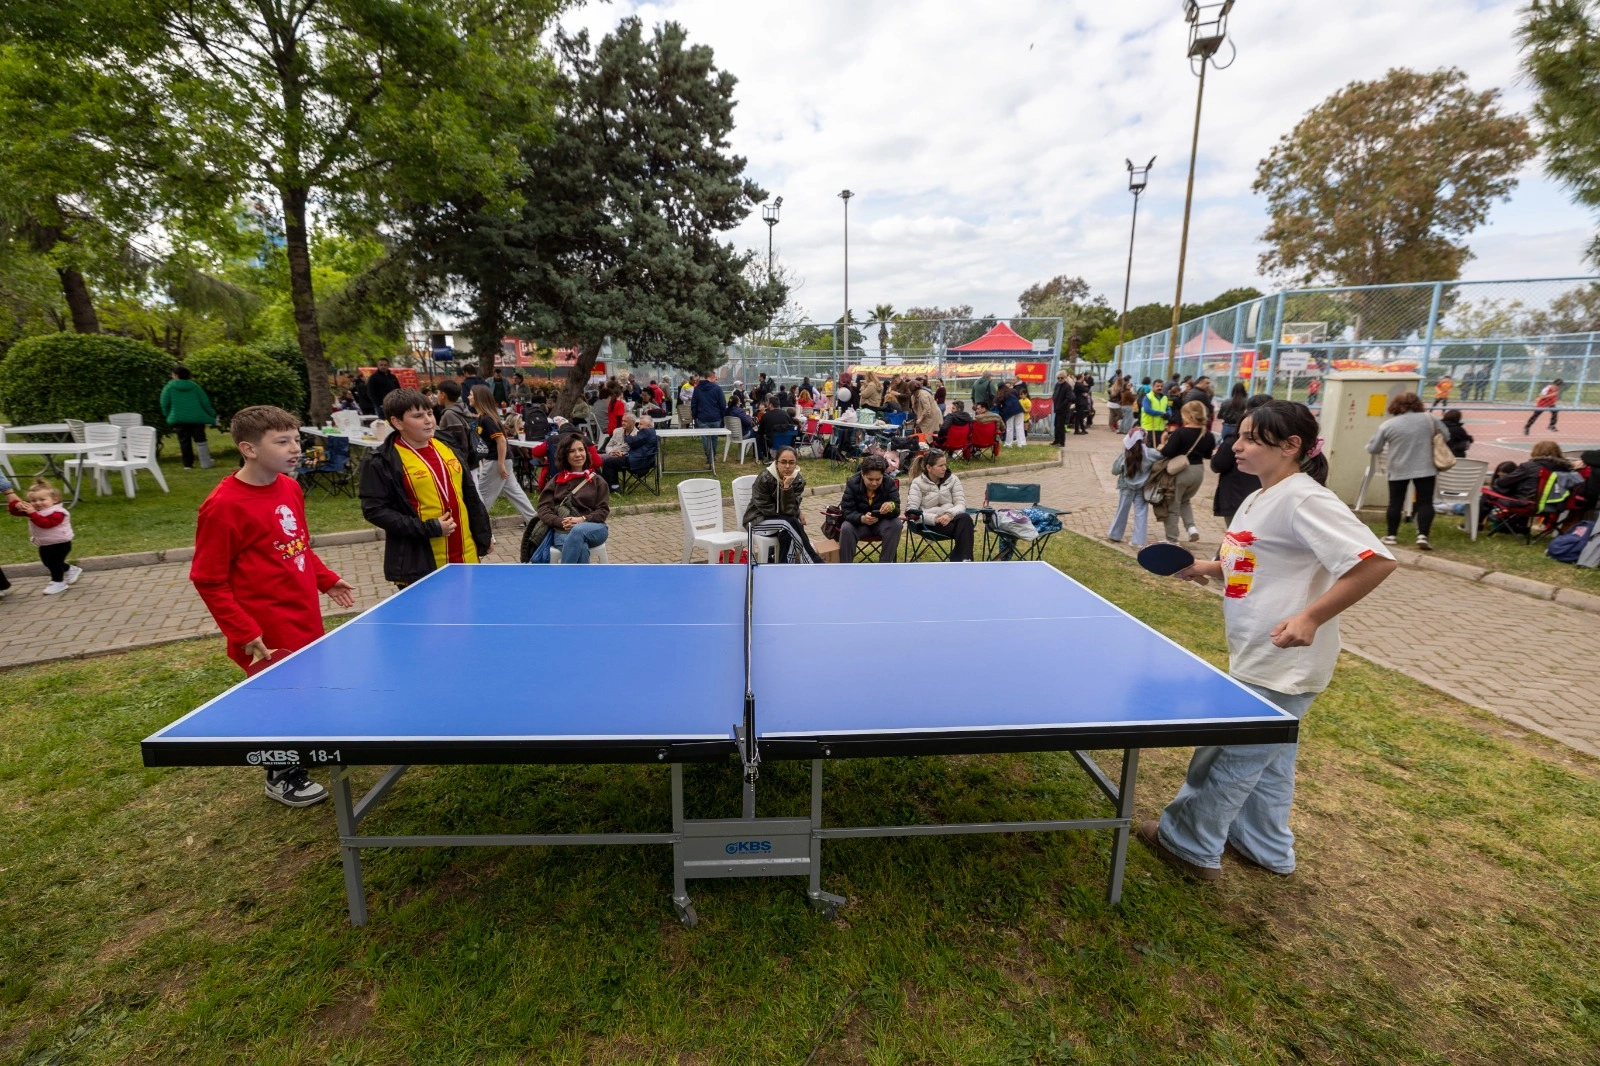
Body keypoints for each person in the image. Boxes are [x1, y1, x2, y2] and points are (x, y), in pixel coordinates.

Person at [1138, 400, 1396, 882]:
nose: (1237, 445)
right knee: (1270, 760)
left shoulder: (1305, 499)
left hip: (1283, 660)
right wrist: (1209, 569)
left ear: (1291, 446)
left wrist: (1311, 617)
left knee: (1227, 757)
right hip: (1257, 650)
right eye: (1239, 435)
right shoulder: (1262, 495)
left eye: (1252, 438)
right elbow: (1256, 563)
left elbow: (1374, 561)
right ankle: (1265, 846)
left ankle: (1188, 846)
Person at [189, 405, 356, 807]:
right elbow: (207, 579)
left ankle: (300, 749)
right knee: (279, 698)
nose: (295, 448)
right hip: (262, 629)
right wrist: (244, 632)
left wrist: (326, 579)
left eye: (296, 439)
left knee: (305, 692)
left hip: (304, 616)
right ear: (248, 448)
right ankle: (280, 775)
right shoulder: (223, 506)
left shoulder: (289, 487)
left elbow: (298, 546)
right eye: (282, 442)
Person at [360, 388, 493, 587]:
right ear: (397, 422)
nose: (428, 420)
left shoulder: (447, 443)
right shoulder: (381, 461)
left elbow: (469, 494)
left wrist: (483, 533)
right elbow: (375, 511)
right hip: (421, 561)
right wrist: (429, 528)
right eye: (418, 416)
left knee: (468, 612)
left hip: (466, 552)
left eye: (430, 413)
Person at [1365, 391, 1447, 550]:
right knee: (1425, 502)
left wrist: (1368, 446)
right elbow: (1446, 436)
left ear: (1395, 405)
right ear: (1418, 404)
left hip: (1398, 467)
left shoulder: (1389, 425)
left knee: (1395, 502)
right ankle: (1423, 535)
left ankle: (1391, 535)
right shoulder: (1430, 419)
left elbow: (1375, 447)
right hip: (1426, 467)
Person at [533, 432, 611, 564]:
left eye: (581, 450)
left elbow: (603, 511)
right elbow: (543, 509)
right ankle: (579, 583)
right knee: (581, 548)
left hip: (594, 528)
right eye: (572, 451)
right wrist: (560, 522)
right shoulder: (556, 481)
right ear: (564, 455)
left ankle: (564, 580)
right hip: (563, 530)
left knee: (578, 530)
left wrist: (582, 519)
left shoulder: (598, 481)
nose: (578, 454)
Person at [741, 445, 822, 563]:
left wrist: (787, 487)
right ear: (776, 462)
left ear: (796, 464)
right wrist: (795, 513)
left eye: (791, 462)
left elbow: (791, 509)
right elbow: (766, 508)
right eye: (783, 462)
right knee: (789, 522)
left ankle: (785, 567)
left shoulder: (798, 480)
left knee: (788, 533)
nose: (787, 466)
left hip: (783, 523)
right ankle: (813, 560)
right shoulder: (764, 478)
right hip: (757, 521)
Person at [6, 477, 82, 595]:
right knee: (48, 562)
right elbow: (15, 512)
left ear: (55, 499)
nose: (38, 503)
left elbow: (46, 524)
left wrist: (32, 513)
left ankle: (58, 582)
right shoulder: (35, 511)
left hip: (61, 543)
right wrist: (17, 506)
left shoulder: (58, 512)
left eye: (42, 499)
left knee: (54, 563)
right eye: (33, 500)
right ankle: (70, 569)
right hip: (45, 543)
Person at [470, 384, 536, 521]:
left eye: (471, 394)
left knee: (481, 497)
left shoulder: (487, 419)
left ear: (478, 398)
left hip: (496, 461)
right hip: (503, 460)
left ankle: (480, 531)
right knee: (516, 494)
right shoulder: (485, 417)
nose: (468, 397)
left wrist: (500, 464)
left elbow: (501, 441)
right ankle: (535, 522)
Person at [1158, 400, 1217, 543]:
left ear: (1187, 415)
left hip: (1181, 471)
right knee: (1185, 500)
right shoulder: (1208, 434)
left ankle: (1172, 539)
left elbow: (1168, 452)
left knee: (1172, 504)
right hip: (1198, 471)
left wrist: (1162, 443)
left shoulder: (1180, 432)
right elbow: (1208, 455)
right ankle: (1191, 528)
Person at [1211, 394, 1273, 521]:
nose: (1237, 447)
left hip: (1237, 499)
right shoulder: (1276, 441)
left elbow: (1218, 464)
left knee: (1238, 538)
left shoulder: (1232, 441)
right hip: (1261, 500)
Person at [905, 449, 974, 561]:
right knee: (965, 528)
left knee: (965, 518)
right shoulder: (917, 483)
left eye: (945, 465)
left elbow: (961, 504)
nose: (945, 468)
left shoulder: (953, 480)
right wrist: (935, 519)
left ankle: (962, 560)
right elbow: (912, 510)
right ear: (929, 468)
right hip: (928, 523)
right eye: (940, 466)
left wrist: (949, 515)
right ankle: (964, 560)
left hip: (951, 519)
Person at [838, 454, 902, 563]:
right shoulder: (852, 483)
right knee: (846, 528)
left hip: (881, 524)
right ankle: (845, 567)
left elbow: (897, 510)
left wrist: (891, 506)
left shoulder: (890, 483)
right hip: (859, 525)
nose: (874, 483)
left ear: (883, 475)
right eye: (870, 479)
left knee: (896, 524)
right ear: (862, 474)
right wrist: (861, 518)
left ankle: (885, 565)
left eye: (878, 479)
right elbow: (846, 511)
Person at [161, 364, 220, 469]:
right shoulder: (195, 386)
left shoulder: (169, 387)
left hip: (179, 419)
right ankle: (205, 462)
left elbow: (164, 403)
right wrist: (212, 414)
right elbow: (205, 402)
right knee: (201, 440)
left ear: (176, 375)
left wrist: (168, 415)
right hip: (197, 418)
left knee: (184, 441)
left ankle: (188, 464)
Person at [1107, 429, 1156, 548]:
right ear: (1145, 438)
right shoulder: (1150, 453)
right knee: (1141, 512)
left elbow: (1115, 470)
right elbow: (1163, 457)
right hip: (1142, 488)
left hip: (1126, 487)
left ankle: (1115, 535)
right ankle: (1138, 541)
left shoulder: (1125, 454)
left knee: (1122, 510)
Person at [601, 413, 659, 491]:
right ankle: (611, 485)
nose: (638, 426)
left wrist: (628, 436)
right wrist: (625, 453)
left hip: (638, 461)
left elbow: (631, 442)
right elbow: (639, 449)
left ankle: (613, 487)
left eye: (641, 424)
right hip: (638, 458)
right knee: (610, 461)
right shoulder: (650, 433)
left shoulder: (645, 432)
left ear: (648, 426)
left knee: (609, 462)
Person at [691, 371, 727, 465]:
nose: (716, 380)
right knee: (714, 437)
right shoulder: (717, 388)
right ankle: (713, 455)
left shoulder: (697, 388)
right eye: (715, 378)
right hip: (715, 417)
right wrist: (722, 415)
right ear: (711, 378)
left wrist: (695, 416)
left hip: (702, 417)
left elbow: (694, 404)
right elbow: (723, 404)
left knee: (705, 437)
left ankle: (708, 456)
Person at [1140, 379, 1171, 448]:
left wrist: (1168, 414)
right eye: (1157, 386)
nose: (1159, 388)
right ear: (1153, 387)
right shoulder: (1147, 397)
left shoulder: (1164, 397)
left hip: (1160, 428)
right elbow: (1147, 410)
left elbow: (1168, 408)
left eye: (1161, 386)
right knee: (1148, 448)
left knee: (1158, 447)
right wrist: (1161, 413)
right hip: (1149, 428)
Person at [996, 382, 1026, 448]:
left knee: (1010, 427)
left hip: (1009, 411)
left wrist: (1000, 410)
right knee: (1020, 426)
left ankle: (1008, 443)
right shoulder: (1013, 391)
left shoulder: (1001, 394)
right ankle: (1022, 443)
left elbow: (998, 405)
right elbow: (1017, 398)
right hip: (1019, 409)